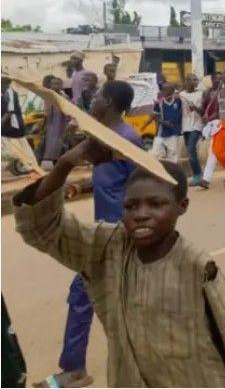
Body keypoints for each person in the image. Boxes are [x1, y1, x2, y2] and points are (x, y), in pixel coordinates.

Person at [14, 141, 225, 386]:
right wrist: (65, 164)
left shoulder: (198, 269)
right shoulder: (110, 247)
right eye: (131, 206)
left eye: (156, 204)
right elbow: (41, 228)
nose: (140, 214)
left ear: (181, 206)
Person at [34, 81, 142, 388]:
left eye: (96, 96)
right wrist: (81, 185)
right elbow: (111, 180)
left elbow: (141, 187)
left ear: (106, 102)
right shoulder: (103, 136)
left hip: (117, 238)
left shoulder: (127, 140)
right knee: (94, 298)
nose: (91, 99)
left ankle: (75, 370)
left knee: (84, 296)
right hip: (103, 235)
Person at [179, 73, 205, 186]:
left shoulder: (201, 94)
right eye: (191, 79)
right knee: (191, 151)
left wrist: (196, 108)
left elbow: (204, 111)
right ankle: (199, 173)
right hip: (185, 126)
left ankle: (197, 175)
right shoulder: (181, 95)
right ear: (186, 81)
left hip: (197, 125)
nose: (194, 81)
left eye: (195, 79)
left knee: (190, 149)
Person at [40, 76, 70, 171]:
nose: (55, 85)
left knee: (63, 144)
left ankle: (61, 166)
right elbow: (46, 113)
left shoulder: (65, 96)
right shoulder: (48, 96)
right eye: (53, 83)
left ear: (61, 85)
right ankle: (55, 165)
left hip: (63, 124)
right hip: (52, 125)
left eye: (57, 83)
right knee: (52, 145)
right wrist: (43, 124)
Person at [149, 83, 182, 163]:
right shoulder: (159, 103)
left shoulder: (178, 100)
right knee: (154, 155)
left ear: (172, 91)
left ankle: (172, 174)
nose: (163, 91)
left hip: (174, 133)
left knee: (173, 158)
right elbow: (156, 118)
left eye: (165, 89)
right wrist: (164, 123)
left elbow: (181, 114)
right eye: (162, 89)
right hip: (161, 133)